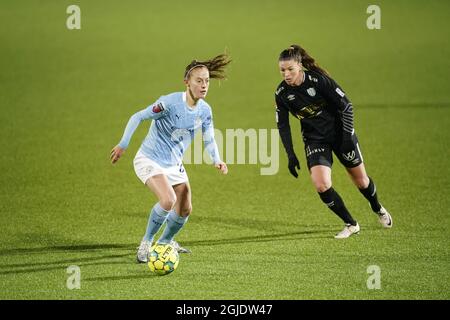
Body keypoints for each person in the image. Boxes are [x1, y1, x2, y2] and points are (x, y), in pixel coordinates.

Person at [111, 54, 230, 262]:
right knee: (168, 200)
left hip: (174, 164)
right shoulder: (168, 103)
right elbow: (138, 116)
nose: (204, 86)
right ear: (187, 82)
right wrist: (123, 144)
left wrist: (217, 159)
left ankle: (165, 242)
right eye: (199, 81)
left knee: (185, 208)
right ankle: (146, 244)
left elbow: (209, 137)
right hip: (149, 159)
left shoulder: (205, 110)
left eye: (207, 81)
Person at [275, 45, 392, 239]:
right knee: (321, 184)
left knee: (362, 182)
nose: (286, 74)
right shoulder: (281, 93)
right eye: (282, 70)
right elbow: (283, 126)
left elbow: (346, 107)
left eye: (290, 69)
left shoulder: (319, 81)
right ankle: (351, 224)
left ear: (300, 66)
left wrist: (346, 138)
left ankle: (377, 207)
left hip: (340, 135)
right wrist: (290, 154)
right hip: (315, 139)